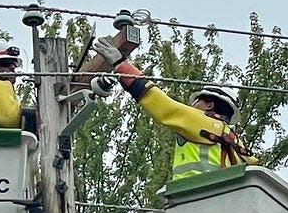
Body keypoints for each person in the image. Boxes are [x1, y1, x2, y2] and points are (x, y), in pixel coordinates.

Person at [92, 36, 257, 180]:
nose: (192, 106)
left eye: (196, 102)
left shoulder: (203, 121)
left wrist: (121, 66)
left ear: (209, 104)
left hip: (194, 194)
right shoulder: (236, 142)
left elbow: (161, 104)